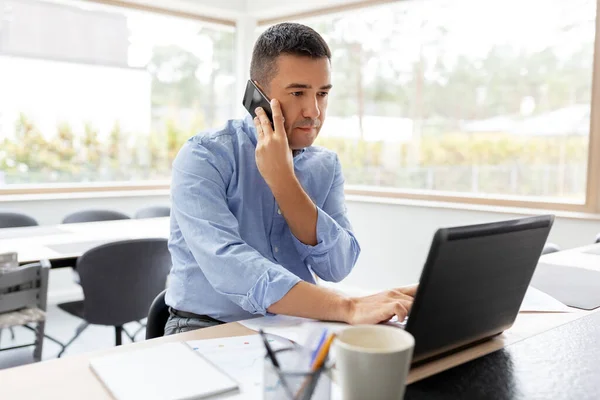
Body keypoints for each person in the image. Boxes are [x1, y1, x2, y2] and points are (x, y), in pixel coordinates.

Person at [164, 22, 416, 335]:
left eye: (322, 94)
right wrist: (346, 307)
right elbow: (229, 267)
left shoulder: (325, 165)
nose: (314, 112)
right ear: (257, 94)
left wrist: (285, 182)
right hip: (205, 327)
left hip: (296, 326)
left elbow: (337, 266)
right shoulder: (204, 156)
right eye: (298, 93)